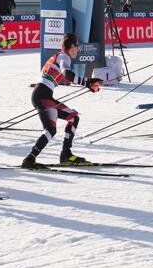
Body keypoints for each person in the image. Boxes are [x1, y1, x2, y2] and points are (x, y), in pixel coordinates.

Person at [20, 33, 103, 169]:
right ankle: (62, 155)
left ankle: (34, 158)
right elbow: (67, 74)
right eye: (77, 46)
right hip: (43, 96)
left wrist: (87, 83)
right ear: (71, 46)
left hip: (42, 95)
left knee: (55, 127)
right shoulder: (64, 56)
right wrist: (87, 82)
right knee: (71, 118)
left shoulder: (58, 56)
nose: (78, 49)